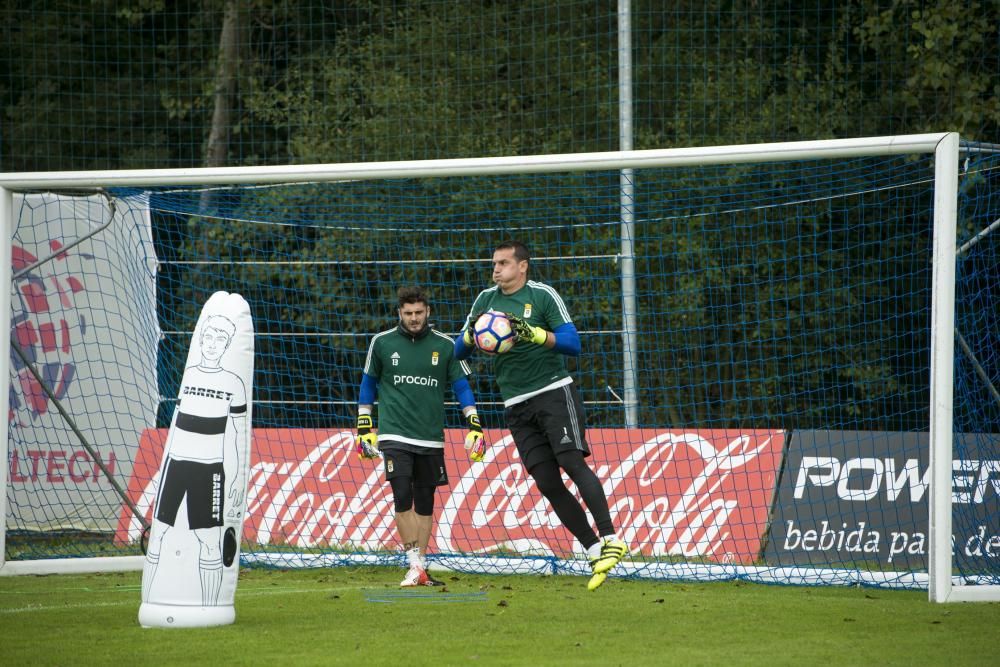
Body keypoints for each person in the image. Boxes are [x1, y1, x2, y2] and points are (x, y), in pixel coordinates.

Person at [454, 240, 627, 591]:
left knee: (572, 463)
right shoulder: (486, 301)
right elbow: (459, 349)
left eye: (503, 263)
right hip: (515, 405)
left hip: (553, 393)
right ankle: (594, 550)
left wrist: (533, 333)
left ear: (523, 266)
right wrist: (474, 335)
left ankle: (611, 539)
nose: (496, 269)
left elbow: (573, 344)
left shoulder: (543, 295)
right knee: (547, 482)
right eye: (494, 264)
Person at [355, 285, 486, 587]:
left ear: (428, 312)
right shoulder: (382, 343)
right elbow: (368, 384)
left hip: (430, 437)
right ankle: (413, 562)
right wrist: (364, 427)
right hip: (394, 434)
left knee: (425, 502)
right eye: (408, 313)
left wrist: (474, 423)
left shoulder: (446, 345)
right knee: (402, 495)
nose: (414, 318)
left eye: (419, 312)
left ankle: (421, 567)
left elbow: (462, 386)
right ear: (399, 313)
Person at [143, 314, 248, 604]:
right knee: (160, 533)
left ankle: (210, 604)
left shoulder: (234, 383)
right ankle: (150, 599)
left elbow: (236, 436)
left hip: (208, 471)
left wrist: (237, 477)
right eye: (208, 337)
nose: (213, 344)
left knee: (209, 541)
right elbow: (177, 424)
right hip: (176, 465)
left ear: (227, 345)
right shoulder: (190, 377)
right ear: (201, 339)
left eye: (220, 339)